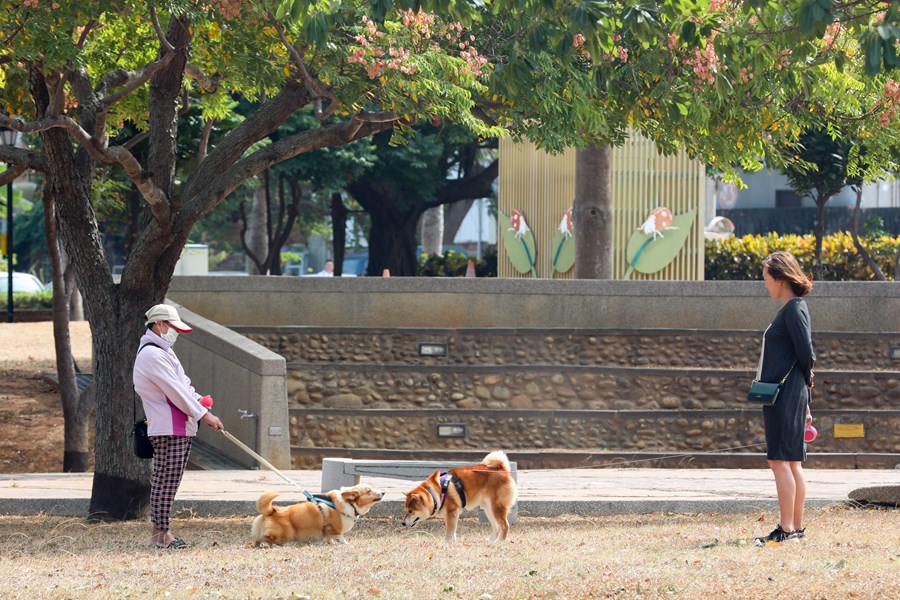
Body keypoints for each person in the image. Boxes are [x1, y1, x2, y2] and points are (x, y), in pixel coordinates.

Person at [133, 304, 224, 549]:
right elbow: (176, 392)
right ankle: (163, 535)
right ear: (160, 324)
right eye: (173, 327)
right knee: (166, 481)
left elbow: (184, 386)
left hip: (177, 427)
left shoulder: (163, 352)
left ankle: (159, 535)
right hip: (169, 428)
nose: (175, 333)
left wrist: (201, 408)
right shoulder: (152, 354)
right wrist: (204, 414)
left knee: (167, 481)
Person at [755, 251, 816, 544]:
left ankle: (787, 528)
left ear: (780, 278)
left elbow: (807, 352)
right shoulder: (792, 309)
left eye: (766, 277)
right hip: (791, 392)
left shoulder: (793, 309)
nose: (765, 283)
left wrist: (804, 393)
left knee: (779, 460)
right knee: (791, 462)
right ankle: (796, 528)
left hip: (786, 393)